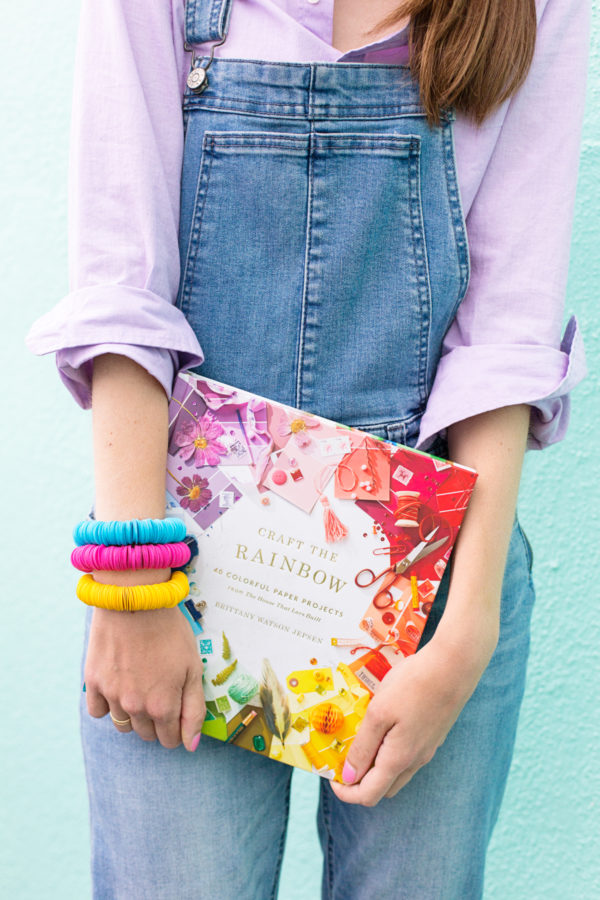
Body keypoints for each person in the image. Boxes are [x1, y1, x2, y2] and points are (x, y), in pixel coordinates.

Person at [25, 0, 589, 897]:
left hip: (435, 584)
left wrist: (465, 635)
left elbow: (507, 336)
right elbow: (119, 278)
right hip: (178, 571)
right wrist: (132, 583)